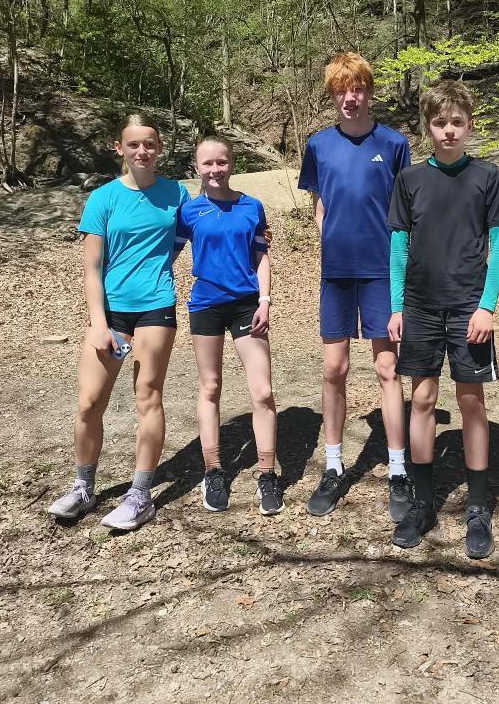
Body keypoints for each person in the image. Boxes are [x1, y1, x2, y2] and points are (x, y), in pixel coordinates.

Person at [387, 81, 499, 558]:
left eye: (457, 122)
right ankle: (422, 503)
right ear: (428, 127)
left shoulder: (487, 177)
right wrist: (397, 306)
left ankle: (478, 508)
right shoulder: (410, 180)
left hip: (468, 308)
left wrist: (486, 306)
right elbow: (398, 247)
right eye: (440, 122)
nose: (448, 131)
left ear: (469, 125)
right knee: (422, 399)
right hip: (420, 307)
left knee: (470, 400)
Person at [48, 114, 190, 530]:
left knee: (148, 395)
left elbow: (193, 233)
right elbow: (92, 268)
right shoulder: (103, 198)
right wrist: (98, 323)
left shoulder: (177, 193)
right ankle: (83, 488)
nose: (142, 151)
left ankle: (140, 496)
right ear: (120, 148)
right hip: (111, 311)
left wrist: (255, 237)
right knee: (90, 402)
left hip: (156, 305)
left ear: (159, 148)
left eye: (150, 144)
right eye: (134, 144)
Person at [298, 52, 411, 520]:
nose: (351, 97)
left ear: (369, 91)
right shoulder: (318, 145)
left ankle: (399, 470)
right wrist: (327, 237)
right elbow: (319, 202)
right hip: (337, 272)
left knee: (387, 369)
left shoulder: (394, 143)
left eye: (358, 88)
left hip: (382, 271)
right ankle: (333, 465)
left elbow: (405, 210)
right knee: (334, 369)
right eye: (342, 90)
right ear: (332, 95)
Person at [177, 136, 283, 516]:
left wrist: (265, 300)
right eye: (207, 163)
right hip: (206, 306)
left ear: (231, 163)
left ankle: (267, 473)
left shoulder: (252, 206)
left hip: (246, 306)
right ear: (196, 168)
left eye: (221, 162)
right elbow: (165, 253)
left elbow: (261, 257)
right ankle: (213, 471)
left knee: (263, 390)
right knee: (210, 387)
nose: (215, 169)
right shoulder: (188, 211)